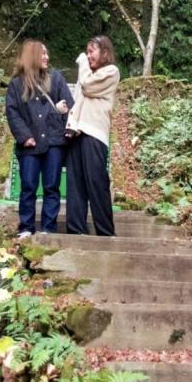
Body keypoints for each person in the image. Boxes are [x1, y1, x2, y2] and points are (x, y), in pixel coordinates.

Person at [4, 40, 72, 239]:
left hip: (54, 142)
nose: (47, 57)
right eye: (43, 54)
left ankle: (48, 228)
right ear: (32, 56)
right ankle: (26, 227)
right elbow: (13, 112)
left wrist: (68, 129)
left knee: (52, 187)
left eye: (47, 53)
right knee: (28, 186)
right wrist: (24, 136)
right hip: (29, 144)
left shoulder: (56, 79)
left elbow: (70, 105)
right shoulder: (17, 85)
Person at [64, 34, 119, 237]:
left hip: (94, 134)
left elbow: (88, 86)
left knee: (96, 182)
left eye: (91, 51)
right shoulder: (87, 72)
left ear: (104, 52)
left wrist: (81, 62)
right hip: (76, 132)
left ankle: (105, 232)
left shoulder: (111, 71)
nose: (87, 56)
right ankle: (76, 230)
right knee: (75, 184)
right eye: (86, 52)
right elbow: (78, 100)